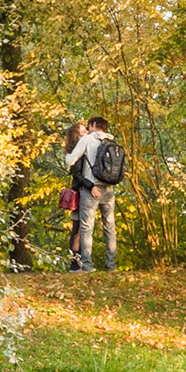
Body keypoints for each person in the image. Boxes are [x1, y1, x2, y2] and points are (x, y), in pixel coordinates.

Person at [65, 115, 121, 272]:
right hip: (109, 189)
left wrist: (67, 155)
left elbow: (70, 161)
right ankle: (111, 266)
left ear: (94, 124)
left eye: (89, 126)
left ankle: (87, 265)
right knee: (110, 227)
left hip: (91, 189)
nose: (88, 130)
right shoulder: (112, 141)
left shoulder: (87, 140)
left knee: (86, 228)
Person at [59, 123, 84, 266]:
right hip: (80, 192)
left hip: (79, 190)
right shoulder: (77, 153)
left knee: (78, 227)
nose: (87, 133)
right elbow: (77, 174)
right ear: (77, 136)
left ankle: (76, 261)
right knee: (78, 228)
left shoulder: (75, 151)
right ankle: (75, 262)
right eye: (83, 132)